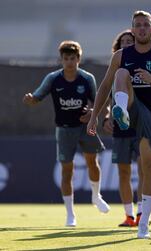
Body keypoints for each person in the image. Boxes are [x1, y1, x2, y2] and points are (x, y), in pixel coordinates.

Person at [87, 11, 151, 239]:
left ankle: (143, 223)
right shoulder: (121, 55)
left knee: (149, 168)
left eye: (145, 25)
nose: (141, 28)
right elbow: (104, 86)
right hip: (128, 107)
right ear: (132, 29)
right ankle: (121, 111)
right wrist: (94, 116)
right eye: (137, 25)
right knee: (120, 73)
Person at [22, 40, 110, 227]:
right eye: (66, 58)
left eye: (73, 58)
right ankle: (70, 214)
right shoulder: (53, 79)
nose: (69, 62)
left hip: (86, 127)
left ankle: (96, 196)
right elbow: (37, 96)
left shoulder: (87, 78)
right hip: (64, 129)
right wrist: (31, 100)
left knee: (92, 162)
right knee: (67, 170)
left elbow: (98, 101)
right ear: (61, 60)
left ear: (79, 59)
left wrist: (92, 113)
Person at [102, 30, 144, 227]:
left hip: (142, 126)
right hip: (121, 128)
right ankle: (129, 215)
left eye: (130, 41)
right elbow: (109, 99)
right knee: (123, 172)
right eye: (123, 42)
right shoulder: (115, 68)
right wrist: (108, 116)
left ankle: (143, 213)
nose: (127, 44)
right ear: (117, 47)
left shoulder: (145, 63)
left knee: (144, 170)